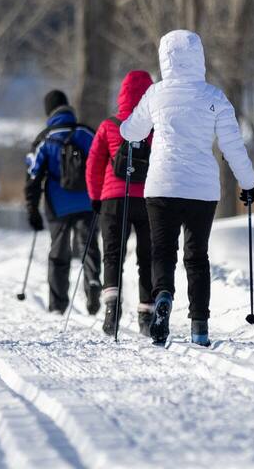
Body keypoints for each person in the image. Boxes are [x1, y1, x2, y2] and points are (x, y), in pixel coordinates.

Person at [119, 30, 254, 347]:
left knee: (163, 252)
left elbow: (131, 132)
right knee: (197, 257)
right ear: (199, 58)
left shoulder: (156, 94)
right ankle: (199, 327)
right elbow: (233, 146)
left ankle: (163, 295)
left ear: (164, 59)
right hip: (202, 190)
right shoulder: (214, 97)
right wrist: (248, 184)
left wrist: (129, 120)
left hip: (161, 186)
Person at [86, 71, 157, 338]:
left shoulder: (109, 125)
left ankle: (111, 311)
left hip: (113, 199)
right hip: (149, 199)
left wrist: (95, 197)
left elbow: (93, 165)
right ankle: (146, 315)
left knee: (112, 254)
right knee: (146, 257)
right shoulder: (155, 126)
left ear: (122, 93)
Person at [25, 90, 102, 316]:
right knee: (89, 245)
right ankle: (93, 281)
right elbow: (102, 164)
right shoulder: (86, 133)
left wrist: (32, 210)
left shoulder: (45, 138)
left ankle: (58, 305)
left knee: (59, 252)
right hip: (87, 201)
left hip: (57, 204)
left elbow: (33, 176)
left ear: (49, 111)